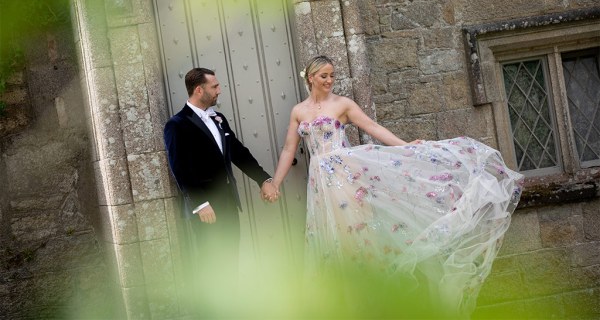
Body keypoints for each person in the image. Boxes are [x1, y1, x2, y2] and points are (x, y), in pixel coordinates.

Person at [269, 55, 523, 317]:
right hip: (319, 182)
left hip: (345, 176)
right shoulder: (299, 111)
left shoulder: (343, 104)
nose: (330, 81)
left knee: (356, 237)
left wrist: (405, 147)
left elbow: (372, 127)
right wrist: (275, 183)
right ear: (311, 78)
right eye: (324, 76)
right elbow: (290, 148)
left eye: (333, 75)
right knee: (331, 242)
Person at [163, 67, 279, 316]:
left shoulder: (219, 119)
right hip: (206, 209)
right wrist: (200, 203)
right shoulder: (176, 125)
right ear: (199, 89)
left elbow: (239, 153)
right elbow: (179, 168)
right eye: (214, 86)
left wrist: (264, 180)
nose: (219, 90)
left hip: (228, 204)